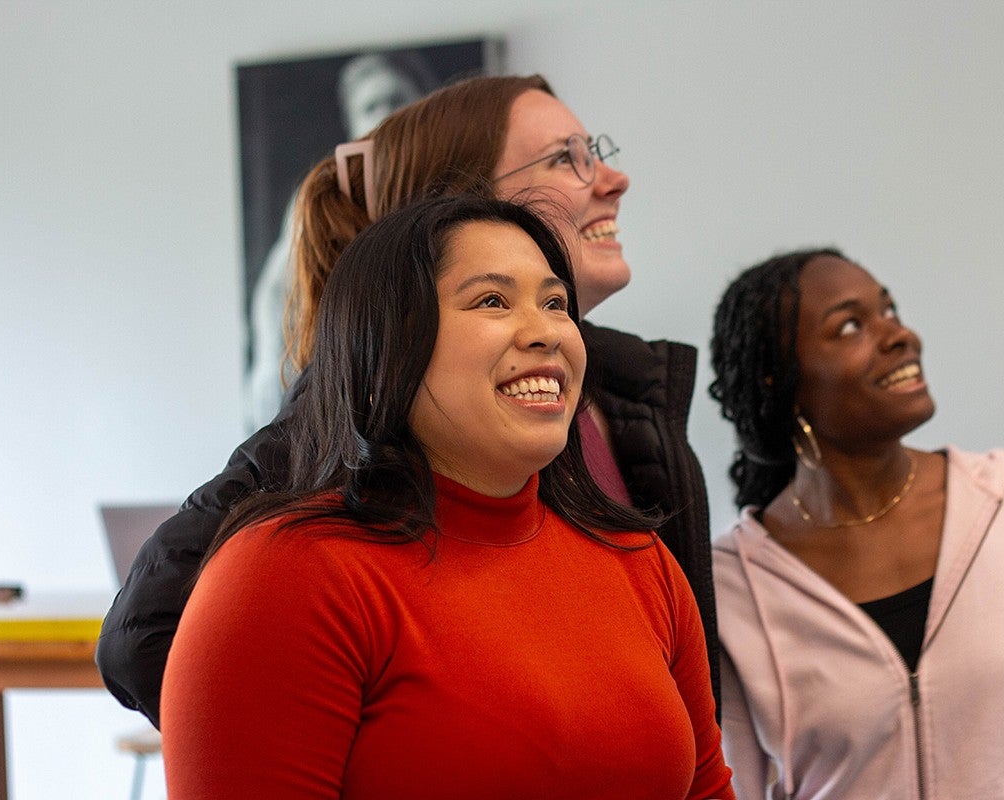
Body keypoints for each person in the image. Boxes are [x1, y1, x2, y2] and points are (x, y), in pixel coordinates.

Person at [96, 74, 717, 728]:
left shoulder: (628, 394)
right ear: (457, 211)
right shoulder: (341, 422)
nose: (614, 180)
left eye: (553, 307)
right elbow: (145, 637)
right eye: (567, 159)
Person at [161, 193, 734, 798]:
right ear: (391, 342)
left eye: (556, 304)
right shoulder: (287, 575)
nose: (546, 333)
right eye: (492, 300)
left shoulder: (640, 563)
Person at [708, 248, 1004, 799]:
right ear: (778, 382)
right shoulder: (733, 587)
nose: (900, 335)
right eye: (850, 325)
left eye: (891, 310)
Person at [245, 51, 438, 428]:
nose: (384, 114)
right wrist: (268, 367)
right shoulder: (325, 189)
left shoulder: (453, 183)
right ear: (352, 121)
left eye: (395, 99)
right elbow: (274, 291)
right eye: (370, 106)